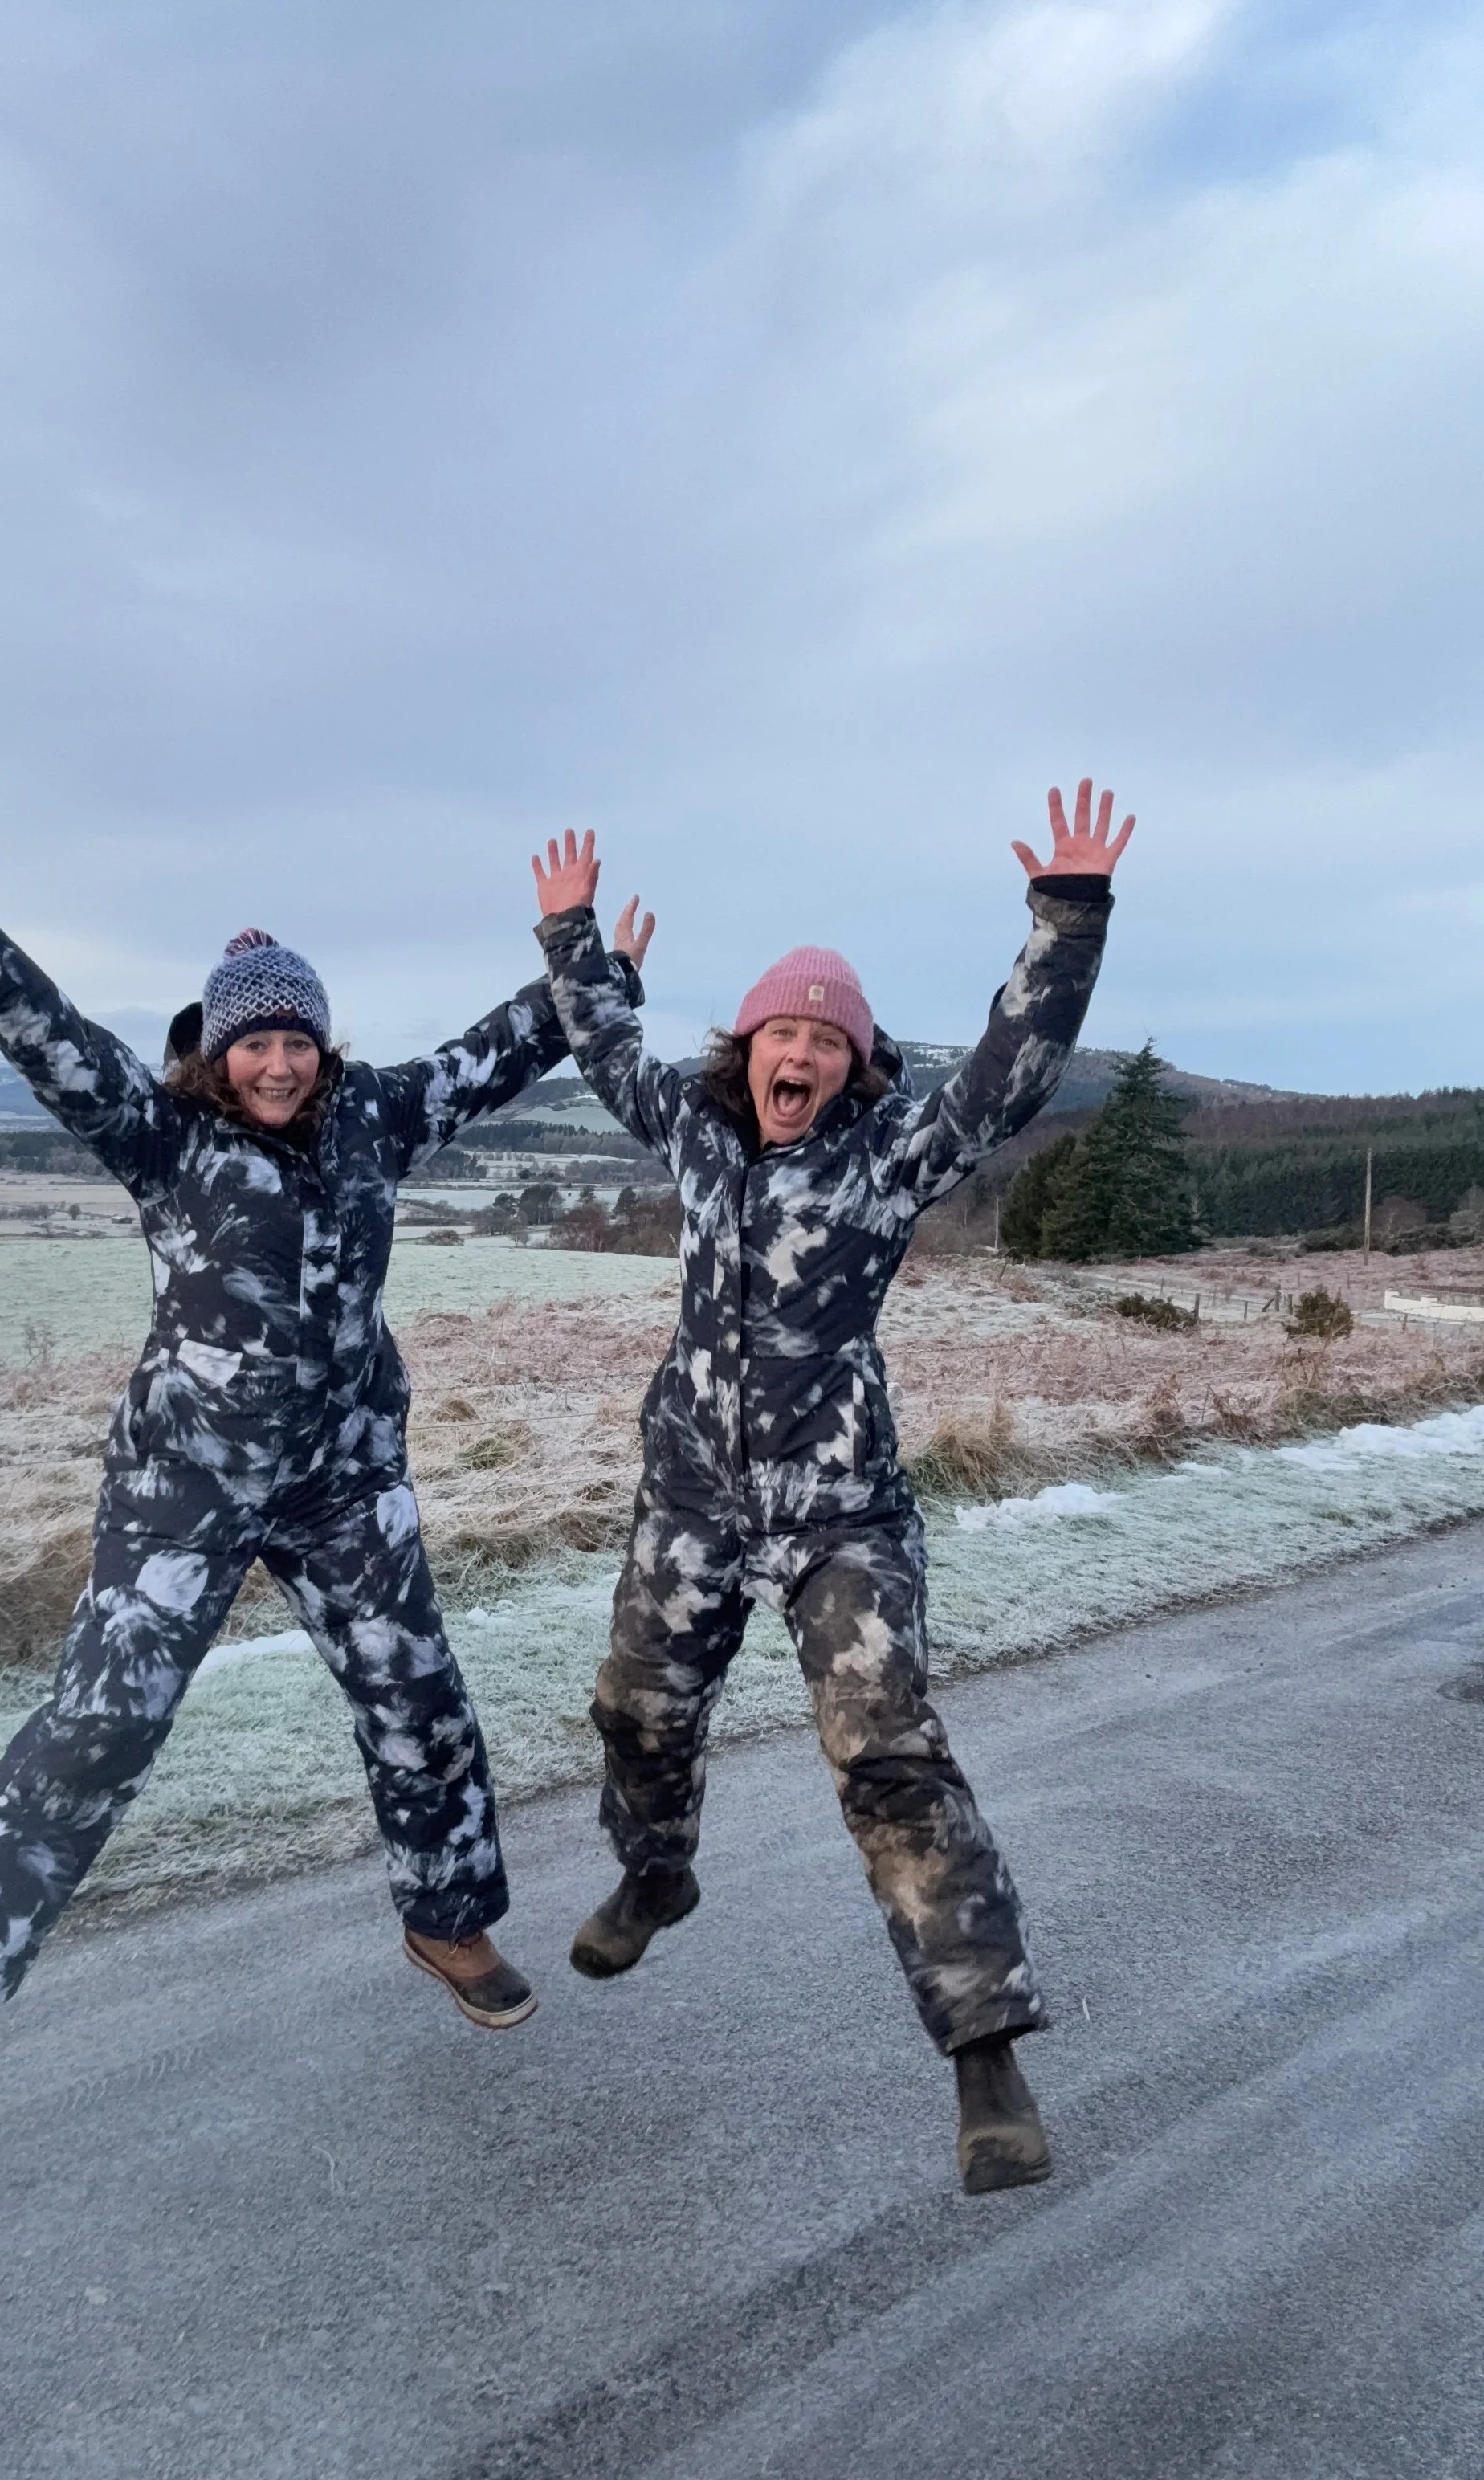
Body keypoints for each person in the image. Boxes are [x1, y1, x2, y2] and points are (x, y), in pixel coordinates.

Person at [0, 785, 652, 2113]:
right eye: (254, 1043)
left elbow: (494, 1056)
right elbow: (47, 1036)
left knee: (418, 1697)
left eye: (298, 1040)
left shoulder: (375, 1117)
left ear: (324, 1046)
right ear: (219, 1053)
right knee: (101, 1726)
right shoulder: (164, 1141)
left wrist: (581, 959)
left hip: (343, 1482)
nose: (278, 1063)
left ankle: (445, 1918)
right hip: (184, 1488)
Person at [529, 781, 1132, 2193]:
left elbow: (1010, 1070)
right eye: (777, 1032)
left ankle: (986, 2059)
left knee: (885, 1753)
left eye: (824, 1037)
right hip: (689, 1495)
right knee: (636, 1712)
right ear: (744, 1053)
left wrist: (1070, 917)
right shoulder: (695, 1139)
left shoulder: (884, 1159)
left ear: (852, 1066)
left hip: (838, 1516)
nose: (796, 1050)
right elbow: (606, 1044)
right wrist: (570, 935)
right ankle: (656, 1870)